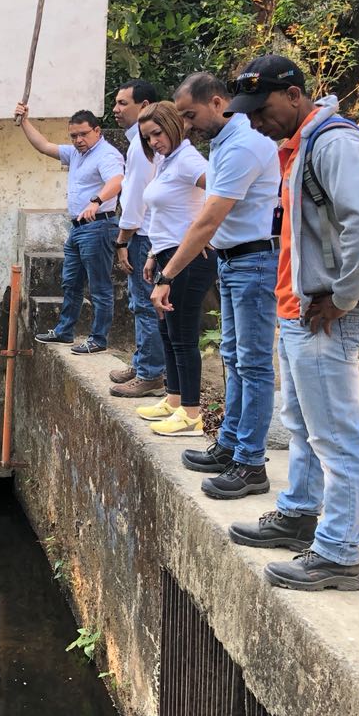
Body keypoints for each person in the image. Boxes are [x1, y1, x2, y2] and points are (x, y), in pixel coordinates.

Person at [226, 56, 359, 592]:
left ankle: (339, 553)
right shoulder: (298, 145)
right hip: (299, 310)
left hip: (326, 316)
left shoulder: (334, 143)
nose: (255, 120)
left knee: (336, 437)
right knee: (301, 424)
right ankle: (299, 513)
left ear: (295, 94)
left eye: (263, 108)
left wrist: (344, 297)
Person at [151, 72, 280, 500]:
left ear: (218, 102)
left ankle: (250, 463)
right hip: (233, 261)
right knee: (233, 356)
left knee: (255, 364)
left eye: (190, 115)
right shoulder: (225, 143)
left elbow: (208, 218)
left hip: (254, 261)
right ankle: (229, 444)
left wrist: (166, 275)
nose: (185, 125)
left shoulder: (244, 145)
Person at [129, 102, 214, 436]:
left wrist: (211, 231)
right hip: (165, 253)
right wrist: (151, 253)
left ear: (175, 126)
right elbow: (164, 214)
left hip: (188, 258)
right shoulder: (168, 162)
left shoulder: (190, 160)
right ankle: (174, 399)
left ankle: (191, 413)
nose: (153, 142)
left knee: (182, 334)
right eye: (147, 137)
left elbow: (223, 193)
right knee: (167, 330)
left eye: (157, 133)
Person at [15, 103, 124, 354]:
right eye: (73, 136)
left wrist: (96, 202)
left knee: (99, 286)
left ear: (97, 131)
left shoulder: (106, 154)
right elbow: (44, 146)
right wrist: (24, 121)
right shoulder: (76, 153)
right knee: (70, 282)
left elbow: (117, 180)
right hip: (77, 228)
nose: (78, 140)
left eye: (83, 134)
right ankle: (64, 331)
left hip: (98, 226)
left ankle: (98, 338)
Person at [109, 80, 167, 398]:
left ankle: (150, 374)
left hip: (143, 234)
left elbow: (134, 197)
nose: (116, 109)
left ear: (144, 106)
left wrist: (122, 240)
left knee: (145, 305)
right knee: (142, 303)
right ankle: (144, 361)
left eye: (122, 103)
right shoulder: (139, 143)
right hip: (146, 232)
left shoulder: (141, 145)